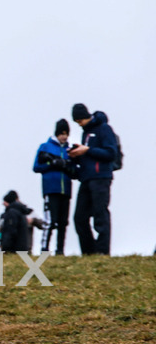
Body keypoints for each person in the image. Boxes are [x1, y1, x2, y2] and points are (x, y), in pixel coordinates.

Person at [69, 103, 117, 255]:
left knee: (100, 215)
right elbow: (88, 156)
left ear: (85, 116)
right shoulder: (85, 134)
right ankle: (89, 253)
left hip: (101, 178)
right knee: (79, 218)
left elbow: (111, 153)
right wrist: (77, 155)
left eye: (79, 121)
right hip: (86, 179)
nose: (79, 124)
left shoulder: (104, 129)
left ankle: (102, 252)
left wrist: (88, 150)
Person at [33, 119, 73, 255]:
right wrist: (52, 164)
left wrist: (67, 166)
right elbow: (36, 167)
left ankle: (60, 250)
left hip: (66, 190)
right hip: (51, 189)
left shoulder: (70, 149)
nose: (64, 136)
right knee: (50, 221)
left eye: (66, 134)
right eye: (62, 133)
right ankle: (44, 249)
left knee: (63, 222)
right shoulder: (45, 147)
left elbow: (74, 169)